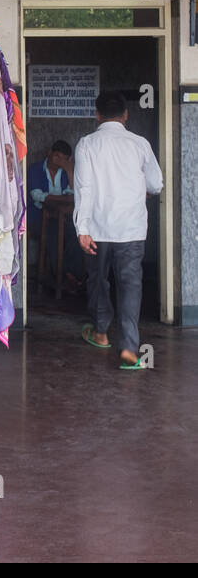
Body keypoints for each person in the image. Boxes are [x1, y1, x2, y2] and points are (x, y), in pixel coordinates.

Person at [74, 91, 163, 369]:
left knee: (98, 280)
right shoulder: (140, 144)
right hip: (131, 230)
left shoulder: (87, 144)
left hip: (97, 229)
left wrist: (82, 228)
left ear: (97, 114)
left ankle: (100, 333)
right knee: (130, 287)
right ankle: (129, 350)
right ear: (126, 115)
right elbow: (156, 184)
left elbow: (83, 189)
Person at [28, 140, 81, 292]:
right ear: (49, 152)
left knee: (76, 233)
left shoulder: (66, 173)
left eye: (62, 158)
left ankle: (72, 275)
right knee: (53, 234)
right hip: (37, 217)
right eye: (55, 156)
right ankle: (62, 277)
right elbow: (38, 196)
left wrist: (70, 171)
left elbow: (74, 196)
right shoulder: (36, 169)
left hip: (62, 218)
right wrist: (62, 197)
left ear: (68, 160)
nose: (56, 160)